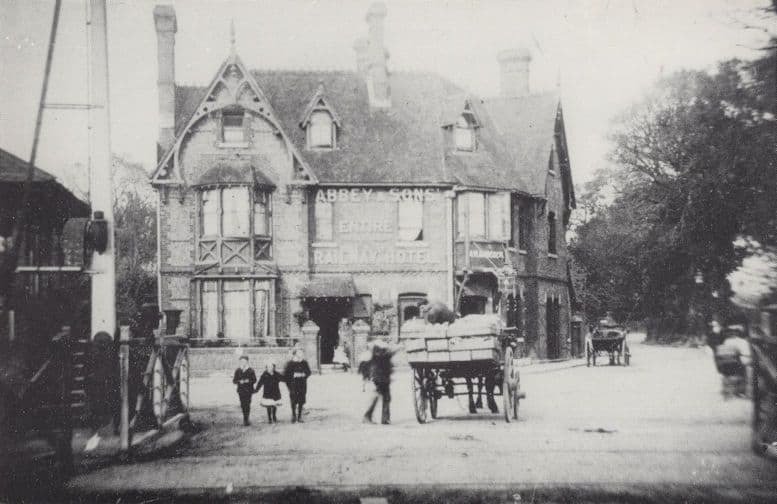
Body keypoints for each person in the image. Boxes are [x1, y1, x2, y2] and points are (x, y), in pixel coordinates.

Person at [363, 340, 399, 425]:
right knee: (385, 397)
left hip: (381, 378)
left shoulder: (377, 354)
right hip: (381, 378)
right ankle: (371, 416)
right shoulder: (381, 355)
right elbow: (389, 354)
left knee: (382, 396)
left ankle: (382, 418)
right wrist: (397, 348)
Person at [284, 348, 311, 423]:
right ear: (295, 354)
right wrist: (293, 375)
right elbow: (286, 374)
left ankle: (299, 417)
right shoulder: (290, 363)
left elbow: (309, 372)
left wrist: (303, 374)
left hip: (302, 384)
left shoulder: (304, 362)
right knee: (293, 400)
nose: (301, 354)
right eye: (299, 353)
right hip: (293, 385)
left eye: (302, 353)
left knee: (301, 401)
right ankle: (293, 415)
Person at [233, 355, 257, 426]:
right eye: (241, 361)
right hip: (241, 390)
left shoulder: (251, 370)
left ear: (247, 362)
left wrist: (247, 381)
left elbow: (254, 380)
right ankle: (245, 418)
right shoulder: (238, 370)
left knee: (247, 404)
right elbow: (234, 380)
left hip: (248, 390)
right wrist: (239, 381)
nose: (243, 363)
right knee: (243, 404)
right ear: (240, 362)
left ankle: (246, 419)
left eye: (244, 361)